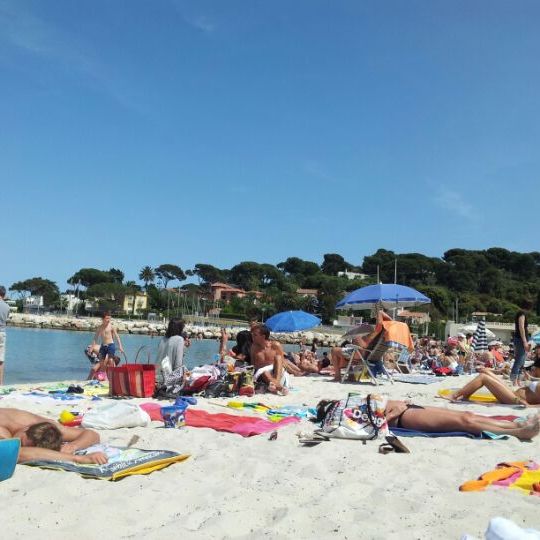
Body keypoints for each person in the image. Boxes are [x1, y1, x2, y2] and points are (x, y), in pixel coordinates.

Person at [385, 400, 539, 440]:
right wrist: (393, 414)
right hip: (403, 416)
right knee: (465, 421)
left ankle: (514, 424)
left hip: (407, 408)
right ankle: (519, 432)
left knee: (467, 414)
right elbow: (365, 427)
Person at [0, 408, 107, 463]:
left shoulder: (44, 427)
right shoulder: (4, 429)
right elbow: (16, 453)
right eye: (21, 441)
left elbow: (92, 434)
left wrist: (73, 446)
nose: (17, 442)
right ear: (27, 428)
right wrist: (78, 458)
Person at [443, 369, 540, 406]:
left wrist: (528, 405)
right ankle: (465, 396)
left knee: (483, 378)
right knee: (485, 371)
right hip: (513, 393)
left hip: (515, 399)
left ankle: (454, 396)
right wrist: (531, 378)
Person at [250, 323, 288, 394]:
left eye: (255, 335)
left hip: (277, 374)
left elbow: (283, 362)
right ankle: (280, 387)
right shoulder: (254, 347)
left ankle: (276, 384)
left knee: (278, 357)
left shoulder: (275, 345)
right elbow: (253, 365)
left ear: (263, 336)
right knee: (265, 372)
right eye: (252, 334)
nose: (252, 337)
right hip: (263, 376)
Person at [157, 318, 186, 384]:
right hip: (167, 380)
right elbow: (178, 364)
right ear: (179, 328)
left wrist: (184, 348)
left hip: (156, 376)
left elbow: (166, 355)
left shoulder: (163, 339)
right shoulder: (179, 339)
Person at [510, 301, 533, 384]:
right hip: (520, 339)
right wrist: (524, 341)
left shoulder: (521, 313)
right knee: (519, 360)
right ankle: (514, 380)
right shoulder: (521, 314)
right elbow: (521, 327)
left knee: (522, 361)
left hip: (520, 339)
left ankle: (518, 380)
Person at [0, 285, 10, 386]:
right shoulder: (7, 306)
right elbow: (6, 318)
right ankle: (1, 384)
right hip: (2, 333)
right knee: (1, 360)